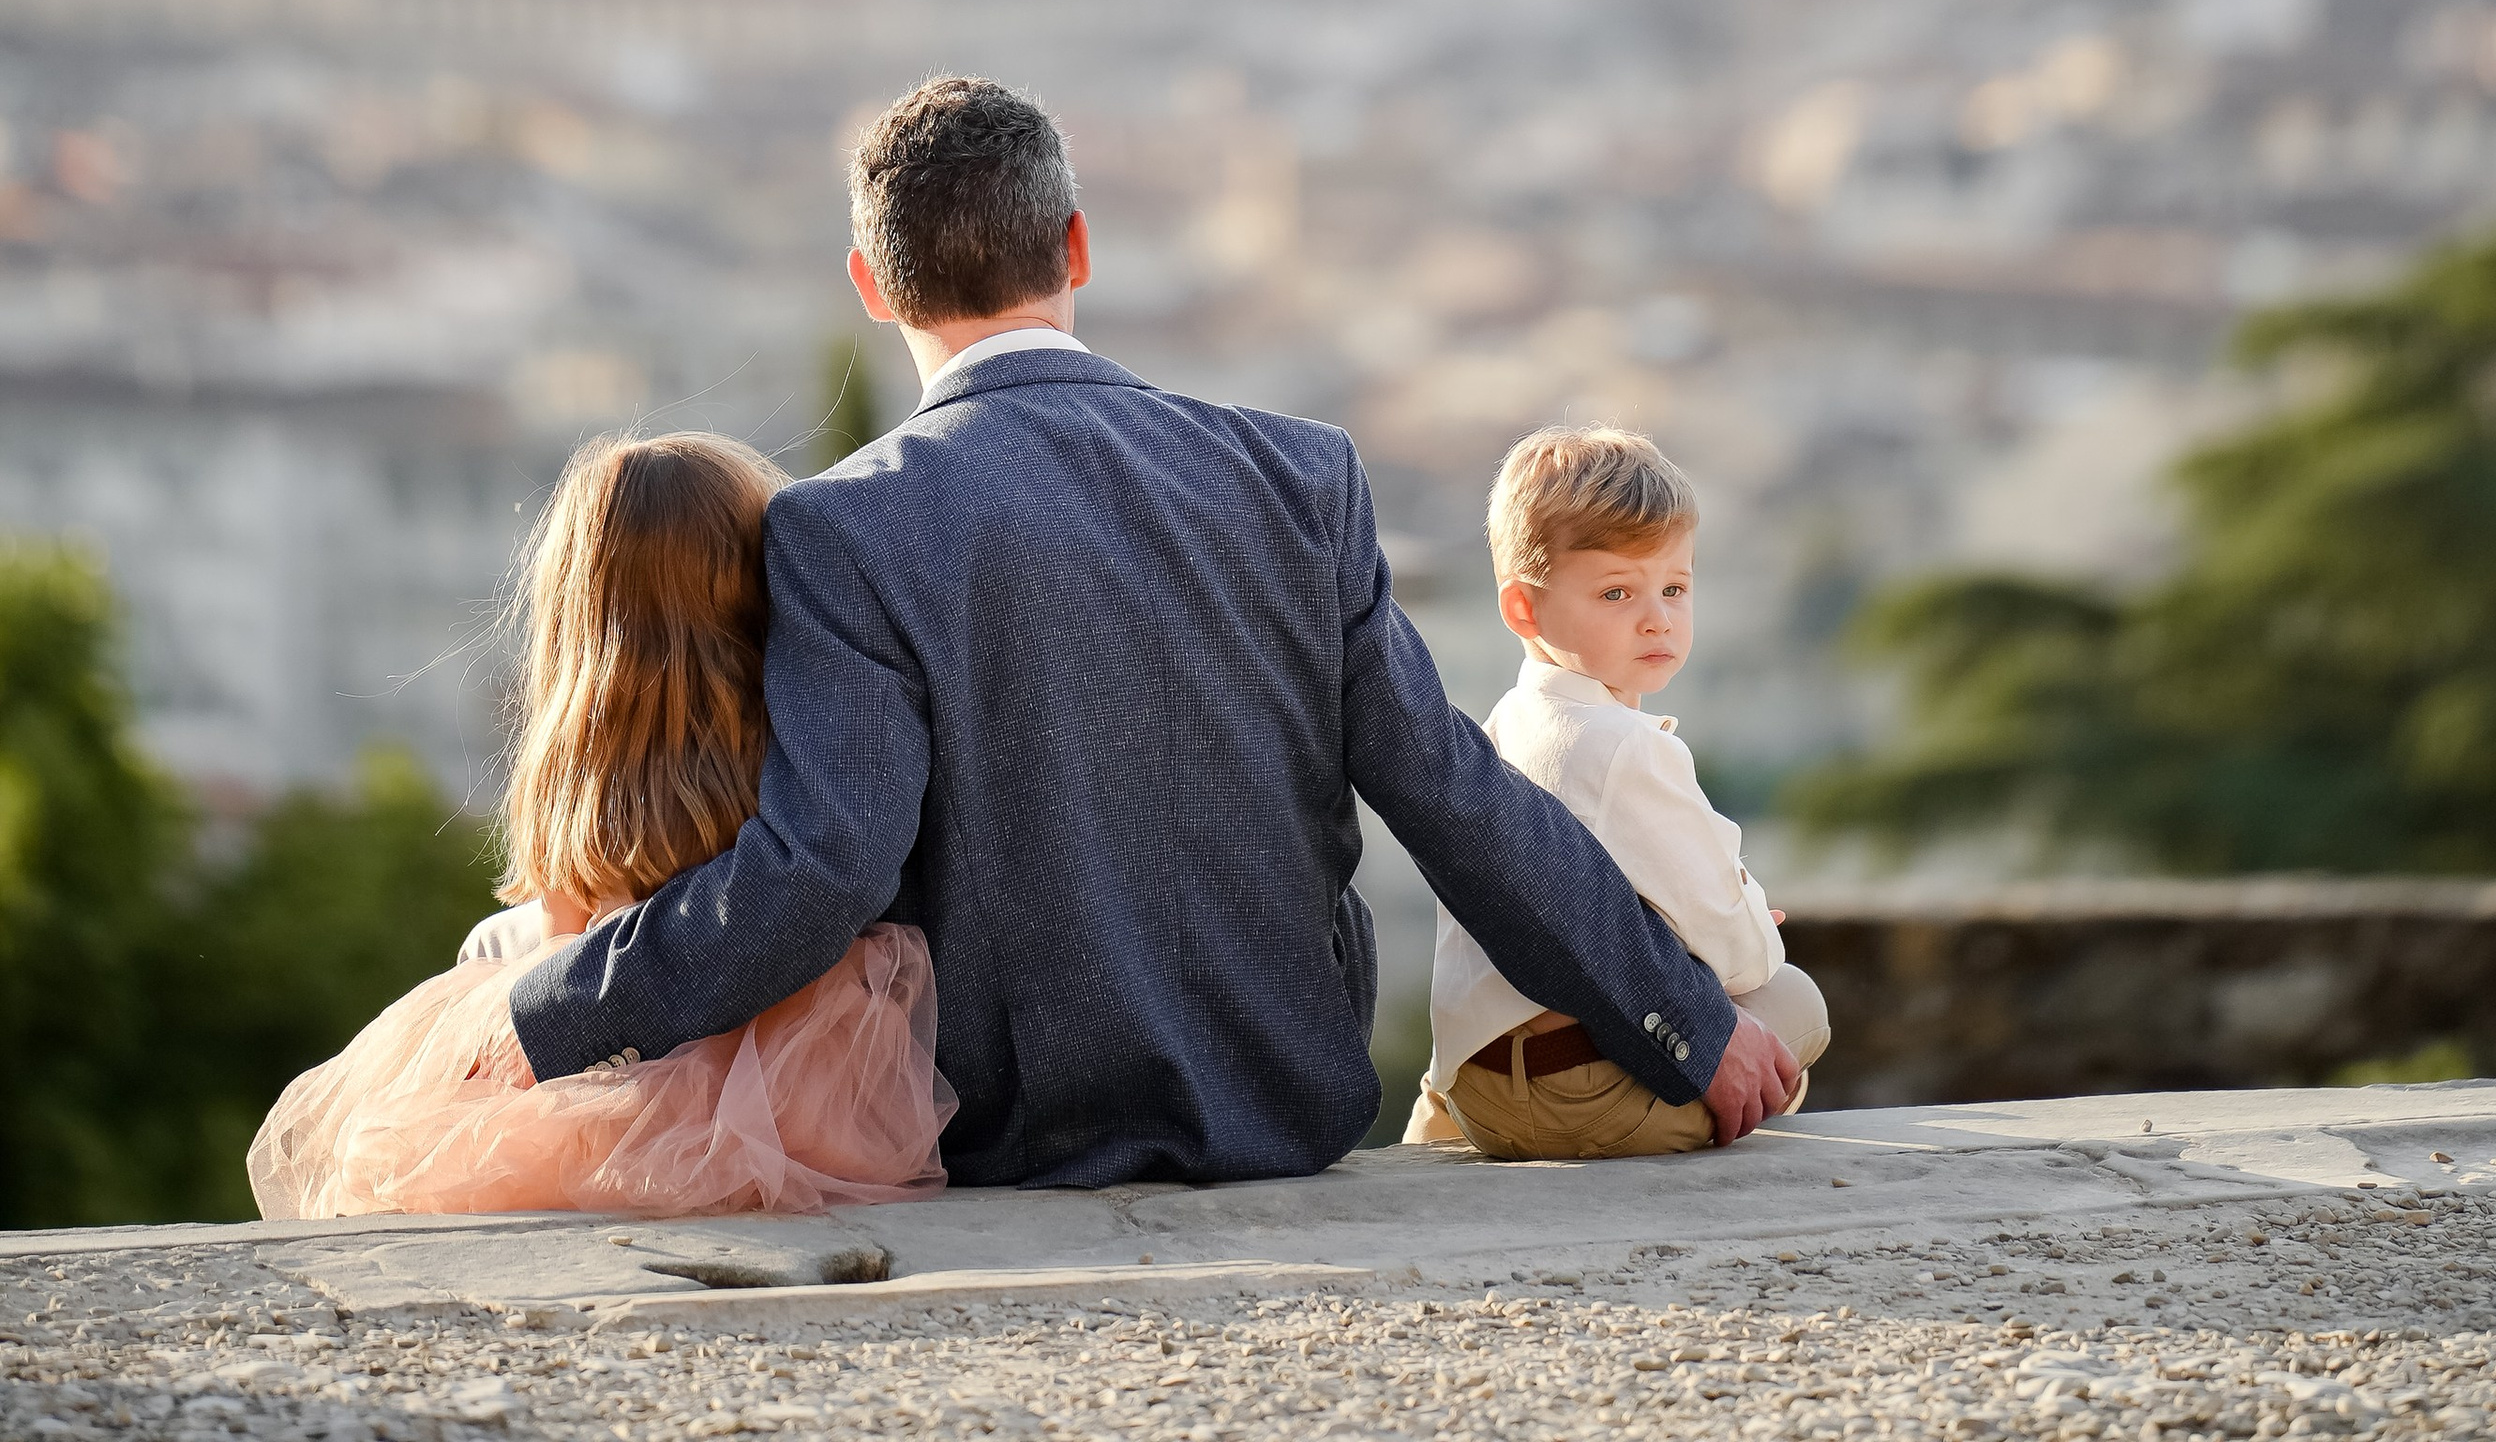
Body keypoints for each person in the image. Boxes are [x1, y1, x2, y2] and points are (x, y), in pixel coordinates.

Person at [507, 78, 1804, 1186]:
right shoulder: (1303, 477)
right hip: (1295, 1102)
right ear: (1075, 247)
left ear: (868, 285)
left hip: (1007, 1131)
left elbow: (819, 874)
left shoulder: (846, 529)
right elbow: (1454, 791)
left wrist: (559, 1014)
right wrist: (1682, 1019)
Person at [248, 432, 951, 1218]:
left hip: (620, 1099)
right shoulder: (801, 750)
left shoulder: (581, 773)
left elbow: (562, 936)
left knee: (487, 963)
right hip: (810, 1089)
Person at [1407, 423, 1829, 1160]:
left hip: (1480, 1099)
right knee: (1796, 998)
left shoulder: (1499, 732)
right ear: (1523, 611)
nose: (1657, 617)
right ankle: (1731, 1113)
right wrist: (1752, 919)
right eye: (1616, 592)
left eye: (1674, 587)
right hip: (1580, 1107)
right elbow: (1742, 962)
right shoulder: (1624, 746)